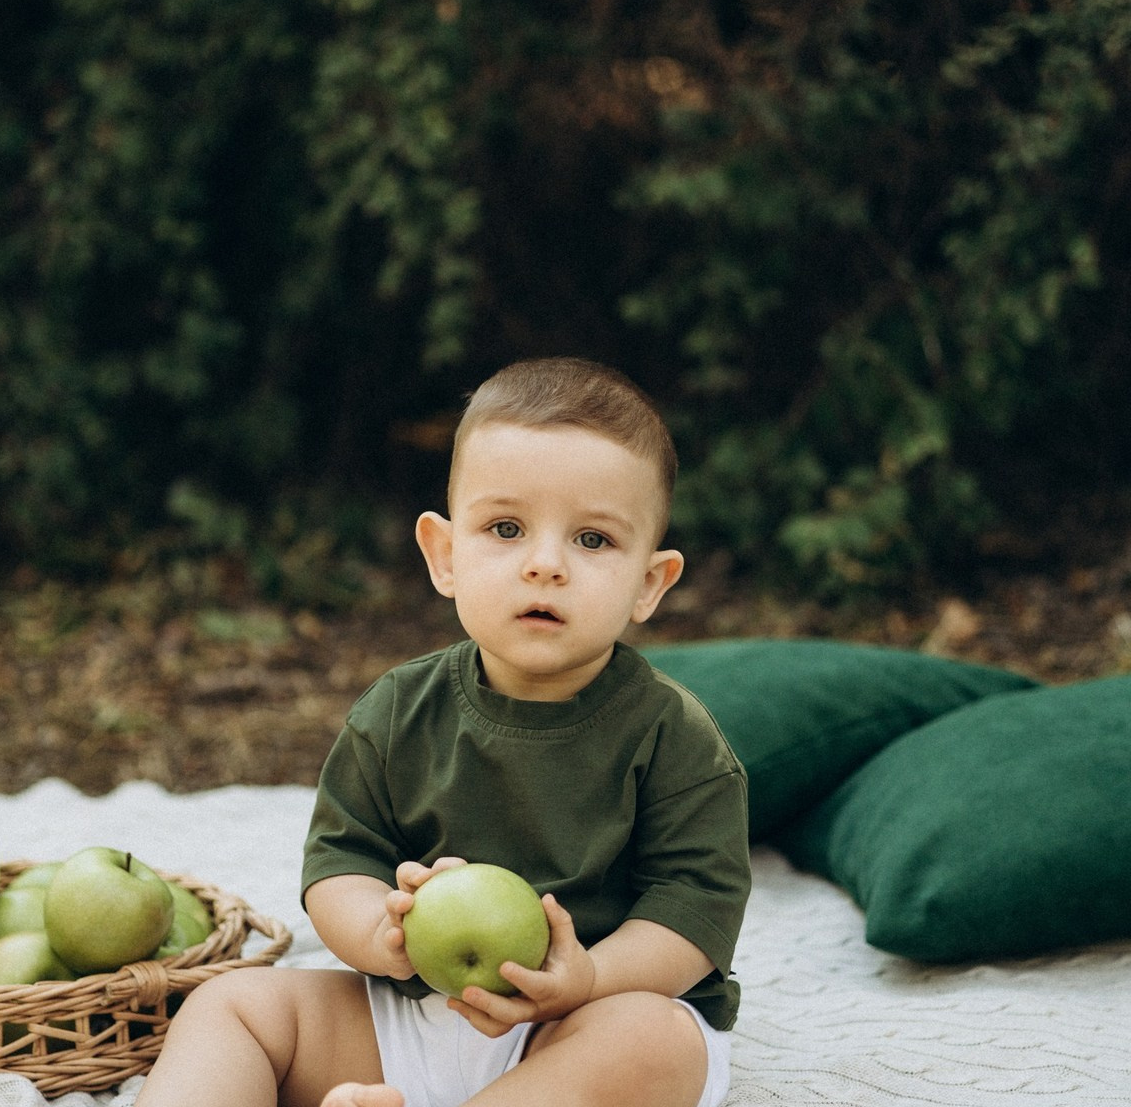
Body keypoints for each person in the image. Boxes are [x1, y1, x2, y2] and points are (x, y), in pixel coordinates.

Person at [134, 357, 751, 1107]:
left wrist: (589, 978)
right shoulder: (398, 711)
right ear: (445, 555)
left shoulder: (673, 736)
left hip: (585, 1023)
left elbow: (695, 908)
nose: (545, 565)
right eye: (506, 528)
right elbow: (340, 864)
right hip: (416, 1012)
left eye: (593, 540)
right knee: (230, 1006)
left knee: (656, 1041)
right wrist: (381, 933)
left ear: (649, 584)